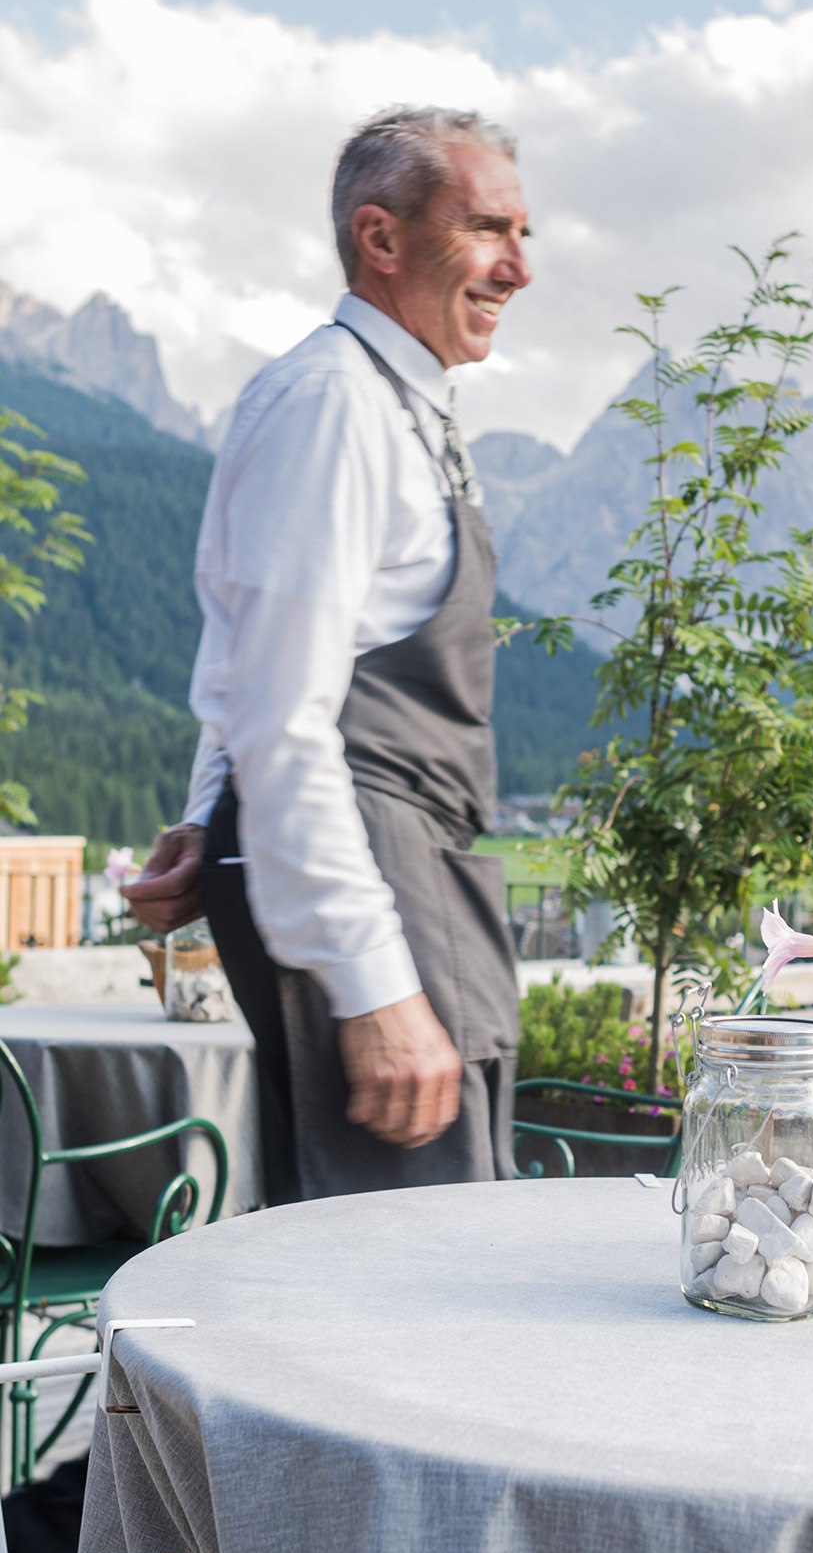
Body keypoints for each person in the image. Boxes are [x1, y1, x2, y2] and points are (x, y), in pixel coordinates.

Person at [123, 105, 531, 1201]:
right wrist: (374, 989)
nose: (518, 268)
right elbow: (283, 709)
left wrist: (214, 821)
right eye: (487, 228)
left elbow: (262, 662)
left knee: (435, 1245)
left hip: (419, 870)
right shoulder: (333, 404)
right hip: (379, 874)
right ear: (380, 238)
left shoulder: (402, 407)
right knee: (400, 1276)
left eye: (522, 234)